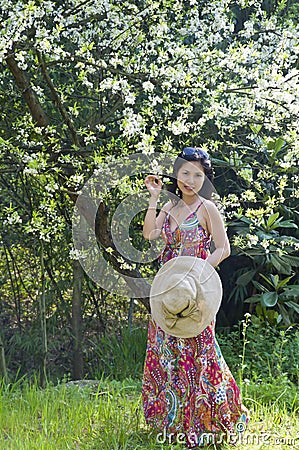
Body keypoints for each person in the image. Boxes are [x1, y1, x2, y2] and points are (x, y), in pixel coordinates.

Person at [142, 147, 249, 448]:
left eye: (197, 175)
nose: (190, 180)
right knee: (166, 353)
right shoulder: (169, 207)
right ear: (176, 174)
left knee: (201, 352)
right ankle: (173, 423)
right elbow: (150, 234)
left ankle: (209, 420)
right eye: (185, 173)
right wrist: (153, 197)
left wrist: (197, 270)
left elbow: (223, 248)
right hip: (168, 291)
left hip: (197, 291)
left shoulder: (207, 209)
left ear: (205, 179)